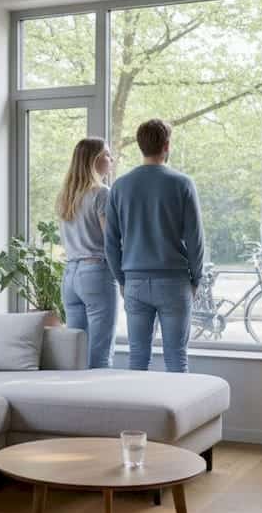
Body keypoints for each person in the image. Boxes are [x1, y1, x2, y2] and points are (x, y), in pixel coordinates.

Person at [104, 119, 205, 373]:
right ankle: (179, 413)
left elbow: (111, 242)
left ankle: (138, 414)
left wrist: (122, 280)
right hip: (174, 282)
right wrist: (196, 279)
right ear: (167, 145)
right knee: (176, 359)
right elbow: (195, 238)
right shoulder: (182, 183)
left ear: (141, 146)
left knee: (137, 359)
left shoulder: (120, 186)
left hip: (135, 282)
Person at [57, 137, 119, 368]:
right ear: (94, 160)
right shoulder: (101, 193)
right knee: (100, 353)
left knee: (75, 353)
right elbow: (110, 240)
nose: (111, 159)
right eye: (107, 155)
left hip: (70, 276)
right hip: (96, 273)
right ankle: (99, 402)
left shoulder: (66, 196)